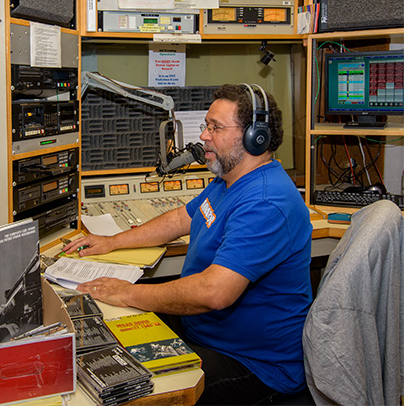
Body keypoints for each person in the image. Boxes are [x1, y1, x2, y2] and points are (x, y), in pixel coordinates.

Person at [63, 83, 312, 405]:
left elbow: (214, 292)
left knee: (125, 393)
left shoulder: (265, 201)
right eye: (206, 126)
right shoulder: (229, 181)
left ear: (255, 136)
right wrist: (111, 242)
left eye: (216, 128)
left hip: (254, 364)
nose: (204, 136)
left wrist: (127, 292)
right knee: (103, 342)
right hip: (204, 333)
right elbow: (182, 219)